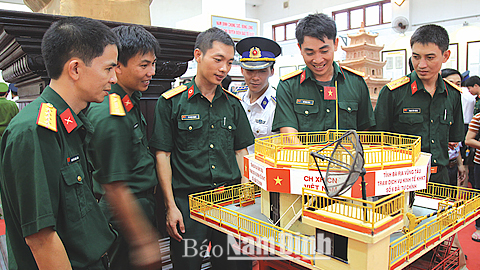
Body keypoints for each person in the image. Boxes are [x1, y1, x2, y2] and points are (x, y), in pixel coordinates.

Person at [0, 17, 119, 269]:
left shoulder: (69, 122)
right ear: (75, 69)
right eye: (108, 69)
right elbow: (41, 238)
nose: (114, 79)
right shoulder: (34, 131)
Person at [150, 27, 254, 269]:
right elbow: (162, 156)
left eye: (229, 62)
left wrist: (246, 196)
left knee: (234, 265)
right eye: (218, 60)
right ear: (198, 55)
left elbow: (241, 152)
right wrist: (170, 207)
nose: (224, 69)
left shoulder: (233, 105)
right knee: (187, 264)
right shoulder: (171, 103)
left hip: (229, 202)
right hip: (189, 205)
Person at [85, 25, 162, 270]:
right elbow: (115, 186)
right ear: (118, 65)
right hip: (123, 217)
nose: (152, 72)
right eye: (144, 65)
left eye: (153, 64)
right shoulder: (111, 113)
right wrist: (143, 239)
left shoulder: (128, 101)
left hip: (140, 207)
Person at [375, 24, 464, 185]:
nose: (421, 65)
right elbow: (377, 141)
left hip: (440, 181)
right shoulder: (393, 93)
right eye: (416, 57)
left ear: (445, 56)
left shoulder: (453, 95)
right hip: (402, 180)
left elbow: (454, 138)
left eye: (430, 58)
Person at [272, 13, 375, 134]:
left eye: (324, 51)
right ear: (300, 48)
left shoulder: (356, 83)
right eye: (310, 53)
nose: (318, 60)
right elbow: (289, 136)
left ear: (336, 44)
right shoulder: (289, 86)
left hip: (347, 153)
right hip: (304, 153)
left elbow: (365, 133)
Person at [235, 36, 281, 154]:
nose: (255, 78)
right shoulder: (237, 100)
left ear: (272, 71)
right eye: (250, 71)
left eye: (262, 71)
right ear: (242, 70)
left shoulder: (278, 104)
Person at [441, 68, 469, 186]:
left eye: (458, 84)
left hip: (452, 164)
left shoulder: (455, 105)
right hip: (438, 168)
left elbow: (455, 142)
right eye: (450, 83)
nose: (455, 87)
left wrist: (460, 164)